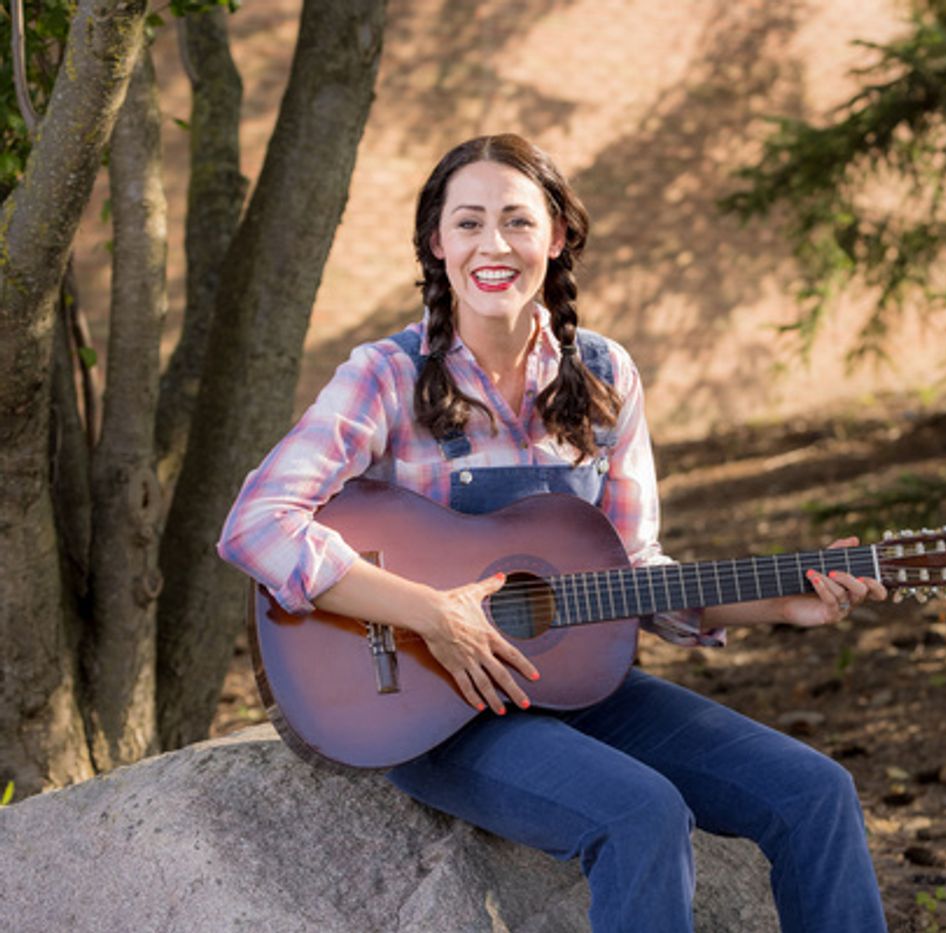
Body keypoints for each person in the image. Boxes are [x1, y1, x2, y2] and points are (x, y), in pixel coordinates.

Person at [218, 133, 890, 933]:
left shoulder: (604, 375)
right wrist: (433, 613)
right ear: (437, 243)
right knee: (641, 813)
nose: (492, 245)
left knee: (814, 791)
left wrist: (783, 605)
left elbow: (637, 572)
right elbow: (257, 522)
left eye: (517, 221)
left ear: (558, 236)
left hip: (578, 687)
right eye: (468, 223)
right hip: (438, 707)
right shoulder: (386, 375)